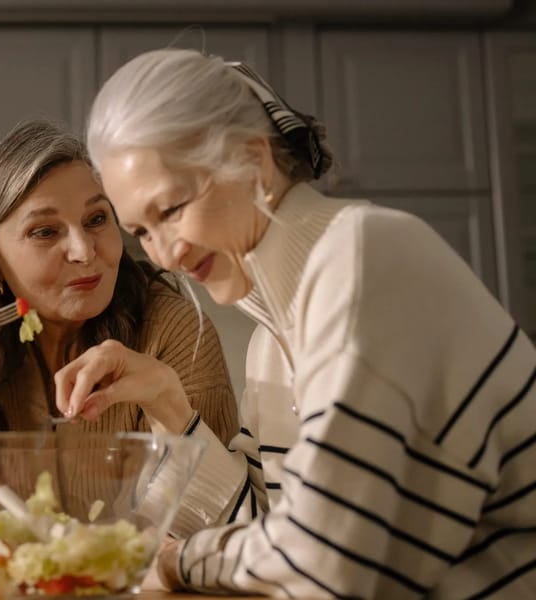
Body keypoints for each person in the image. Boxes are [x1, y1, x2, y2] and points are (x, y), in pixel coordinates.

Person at [52, 48, 536, 598]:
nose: (163, 255)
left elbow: (326, 560)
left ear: (253, 160)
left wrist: (174, 564)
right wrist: (168, 401)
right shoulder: (271, 341)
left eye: (171, 210)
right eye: (142, 231)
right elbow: (268, 534)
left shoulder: (366, 256)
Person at [0, 119, 239, 588]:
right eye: (45, 232)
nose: (85, 251)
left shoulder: (173, 329)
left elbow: (201, 533)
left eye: (96, 219)